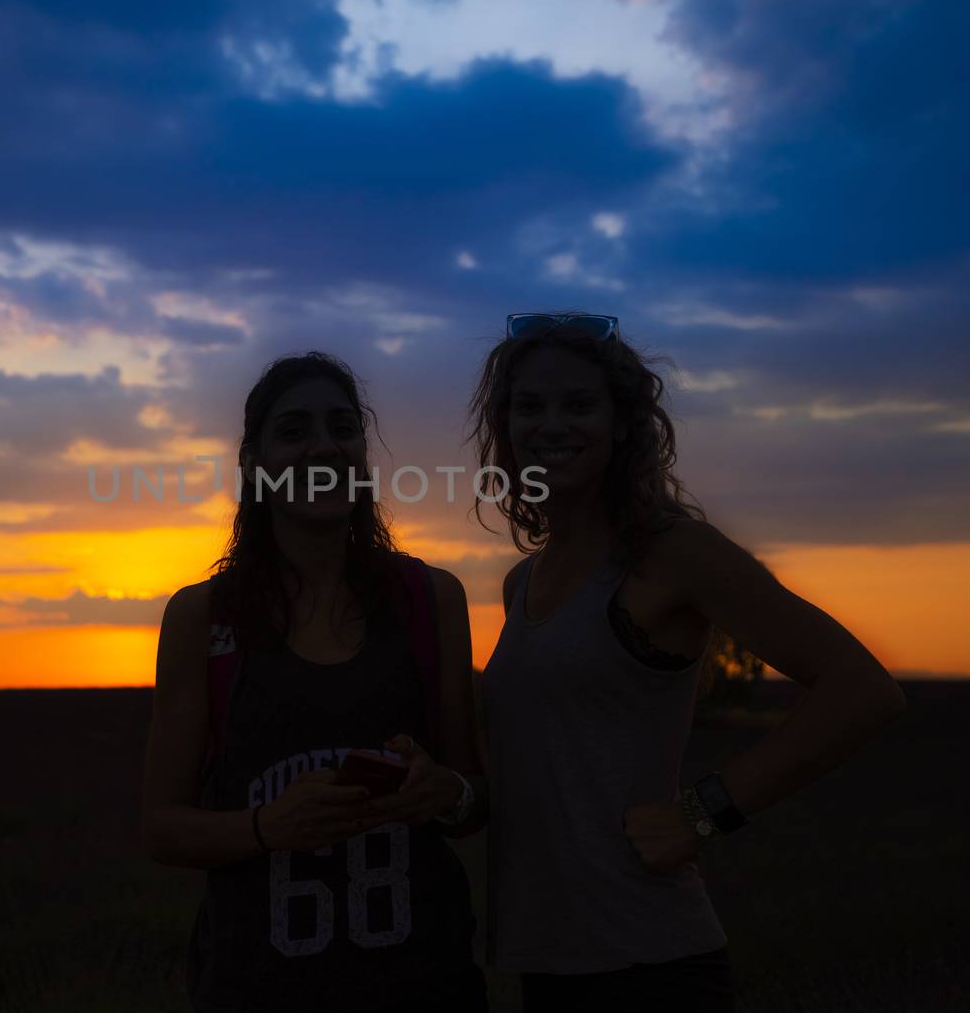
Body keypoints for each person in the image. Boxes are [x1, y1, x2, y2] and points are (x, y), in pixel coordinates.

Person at [465, 313, 908, 1010]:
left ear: (623, 422)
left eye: (579, 403)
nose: (551, 424)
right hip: (544, 961)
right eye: (530, 405)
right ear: (506, 427)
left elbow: (863, 688)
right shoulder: (523, 582)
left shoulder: (671, 554)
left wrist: (703, 811)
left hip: (651, 965)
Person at [141, 352, 489, 1012]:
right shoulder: (202, 618)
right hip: (255, 986)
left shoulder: (431, 598)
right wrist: (269, 825)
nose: (324, 447)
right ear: (253, 462)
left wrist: (444, 791)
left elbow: (474, 802)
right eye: (295, 431)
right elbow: (161, 828)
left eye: (343, 427)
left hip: (423, 983)